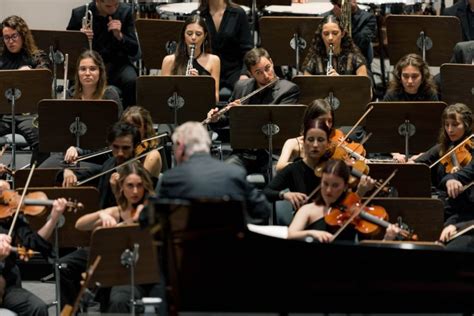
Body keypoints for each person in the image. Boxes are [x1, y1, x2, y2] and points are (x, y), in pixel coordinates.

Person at [60, 162, 161, 313]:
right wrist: (101, 214)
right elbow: (80, 225)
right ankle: (71, 311)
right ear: (122, 187)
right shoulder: (117, 210)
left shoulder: (151, 207)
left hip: (136, 267)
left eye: (139, 185)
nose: (135, 191)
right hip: (111, 259)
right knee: (65, 266)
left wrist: (140, 218)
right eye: (130, 185)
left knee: (118, 298)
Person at [206, 48, 300, 177]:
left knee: (277, 178)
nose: (266, 75)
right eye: (258, 72)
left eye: (267, 68)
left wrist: (243, 113)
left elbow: (279, 126)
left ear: (272, 62)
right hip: (243, 154)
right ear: (251, 74)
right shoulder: (241, 87)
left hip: (271, 155)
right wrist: (216, 118)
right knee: (223, 176)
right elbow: (227, 119)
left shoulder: (288, 90)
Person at [158, 121, 271, 224]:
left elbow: (154, 219)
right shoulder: (234, 173)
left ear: (180, 146)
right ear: (207, 144)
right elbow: (263, 210)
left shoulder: (171, 178)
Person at [38, 50, 123, 168]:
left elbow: (114, 138)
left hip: (100, 157)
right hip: (71, 154)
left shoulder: (109, 96)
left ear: (100, 72)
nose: (87, 73)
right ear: (78, 73)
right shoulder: (71, 95)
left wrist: (80, 151)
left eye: (92, 69)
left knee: (64, 172)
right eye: (83, 69)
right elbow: (63, 133)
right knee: (43, 170)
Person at [287, 159, 396, 243]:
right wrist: (313, 233)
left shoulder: (354, 212)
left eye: (335, 185)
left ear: (345, 186)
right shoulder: (308, 209)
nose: (329, 190)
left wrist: (387, 239)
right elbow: (291, 235)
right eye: (325, 184)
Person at [0, 191, 67, 315]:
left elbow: (34, 243)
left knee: (37, 308)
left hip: (6, 284)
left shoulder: (10, 217)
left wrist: (53, 219)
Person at [67, 0, 140, 108]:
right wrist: (80, 38)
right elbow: (68, 46)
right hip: (89, 64)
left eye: (116, 5)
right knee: (76, 80)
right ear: (98, 2)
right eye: (108, 6)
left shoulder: (125, 11)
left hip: (116, 65)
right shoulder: (79, 14)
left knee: (132, 80)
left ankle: (129, 120)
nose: (114, 9)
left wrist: (120, 36)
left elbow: (134, 49)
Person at [0, 15, 50, 166]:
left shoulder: (37, 57)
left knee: (43, 140)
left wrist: (32, 74)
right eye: (6, 37)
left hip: (27, 115)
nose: (10, 41)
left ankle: (33, 180)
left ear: (23, 35)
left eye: (14, 36)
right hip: (3, 114)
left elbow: (46, 79)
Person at [62, 122, 141, 210]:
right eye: (115, 147)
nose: (120, 153)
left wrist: (117, 194)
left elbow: (134, 215)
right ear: (110, 145)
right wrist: (69, 170)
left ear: (135, 147)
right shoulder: (109, 162)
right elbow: (85, 161)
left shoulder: (139, 175)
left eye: (126, 148)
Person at [264, 119, 332, 211]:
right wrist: (284, 195)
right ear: (303, 143)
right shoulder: (294, 168)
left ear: (328, 144)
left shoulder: (334, 168)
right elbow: (267, 192)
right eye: (310, 139)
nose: (315, 145)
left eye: (320, 140)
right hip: (303, 220)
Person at [196, 0, 253, 97]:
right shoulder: (199, 15)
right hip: (207, 70)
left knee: (246, 89)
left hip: (234, 71)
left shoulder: (238, 13)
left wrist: (244, 73)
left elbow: (247, 49)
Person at [412, 103, 473, 189]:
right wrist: (410, 164)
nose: (450, 130)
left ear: (467, 125)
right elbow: (418, 163)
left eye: (455, 125)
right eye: (447, 125)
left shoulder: (471, 147)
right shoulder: (443, 147)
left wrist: (455, 176)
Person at [161, 15, 221, 102]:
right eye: (189, 33)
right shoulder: (169, 61)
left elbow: (215, 99)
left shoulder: (214, 60)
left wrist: (198, 85)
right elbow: (162, 95)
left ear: (205, 36)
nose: (193, 38)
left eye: (198, 34)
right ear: (183, 36)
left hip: (201, 108)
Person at [276, 99, 346, 172]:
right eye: (322, 120)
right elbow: (279, 167)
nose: (327, 125)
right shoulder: (292, 143)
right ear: (310, 120)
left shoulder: (331, 145)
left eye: (330, 121)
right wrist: (307, 163)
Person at [302, 14, 368, 77]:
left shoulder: (355, 59)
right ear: (321, 35)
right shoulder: (314, 60)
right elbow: (306, 87)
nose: (330, 38)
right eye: (326, 34)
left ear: (342, 34)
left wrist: (339, 82)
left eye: (335, 33)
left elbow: (364, 87)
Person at [325, 0, 377, 68]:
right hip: (330, 62)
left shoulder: (368, 18)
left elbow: (361, 43)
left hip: (358, 63)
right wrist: (336, 17)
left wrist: (344, 17)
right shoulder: (326, 18)